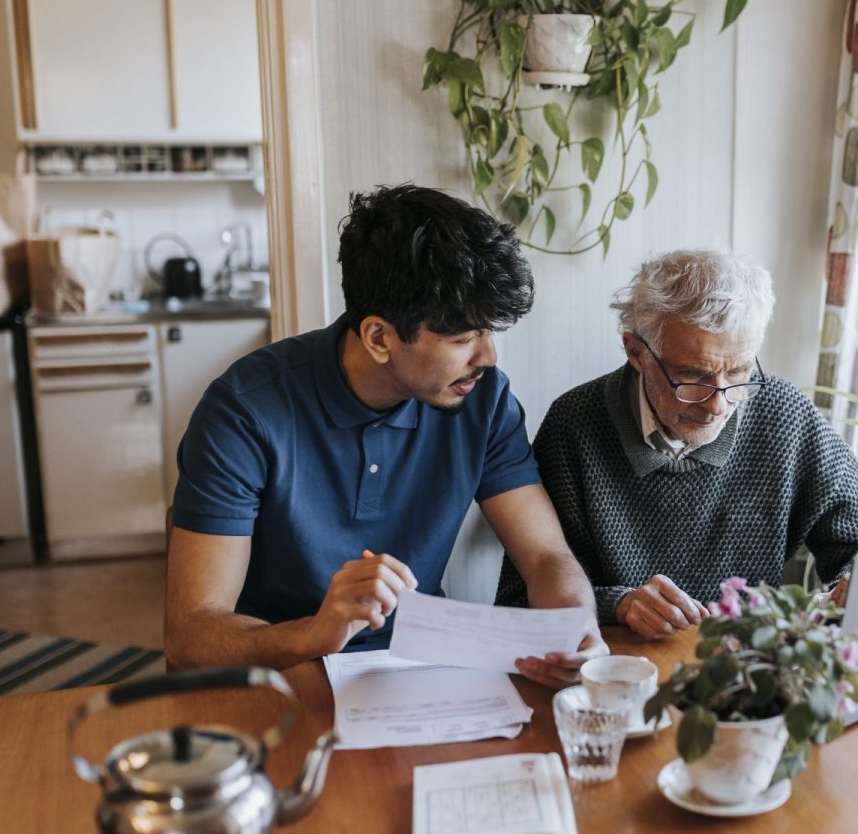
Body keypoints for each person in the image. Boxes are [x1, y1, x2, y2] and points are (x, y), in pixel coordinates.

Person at [166, 183, 603, 686]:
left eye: (489, 333)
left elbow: (545, 555)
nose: (488, 358)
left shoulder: (483, 399)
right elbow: (190, 637)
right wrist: (316, 633)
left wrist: (576, 623)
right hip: (279, 678)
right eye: (462, 339)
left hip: (422, 675)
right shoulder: (244, 412)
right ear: (379, 337)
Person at [496, 248, 858, 637]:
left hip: (749, 673)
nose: (718, 403)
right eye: (693, 377)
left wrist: (852, 586)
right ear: (636, 352)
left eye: (739, 373)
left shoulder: (782, 413)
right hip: (627, 672)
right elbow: (520, 602)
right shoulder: (575, 426)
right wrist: (617, 605)